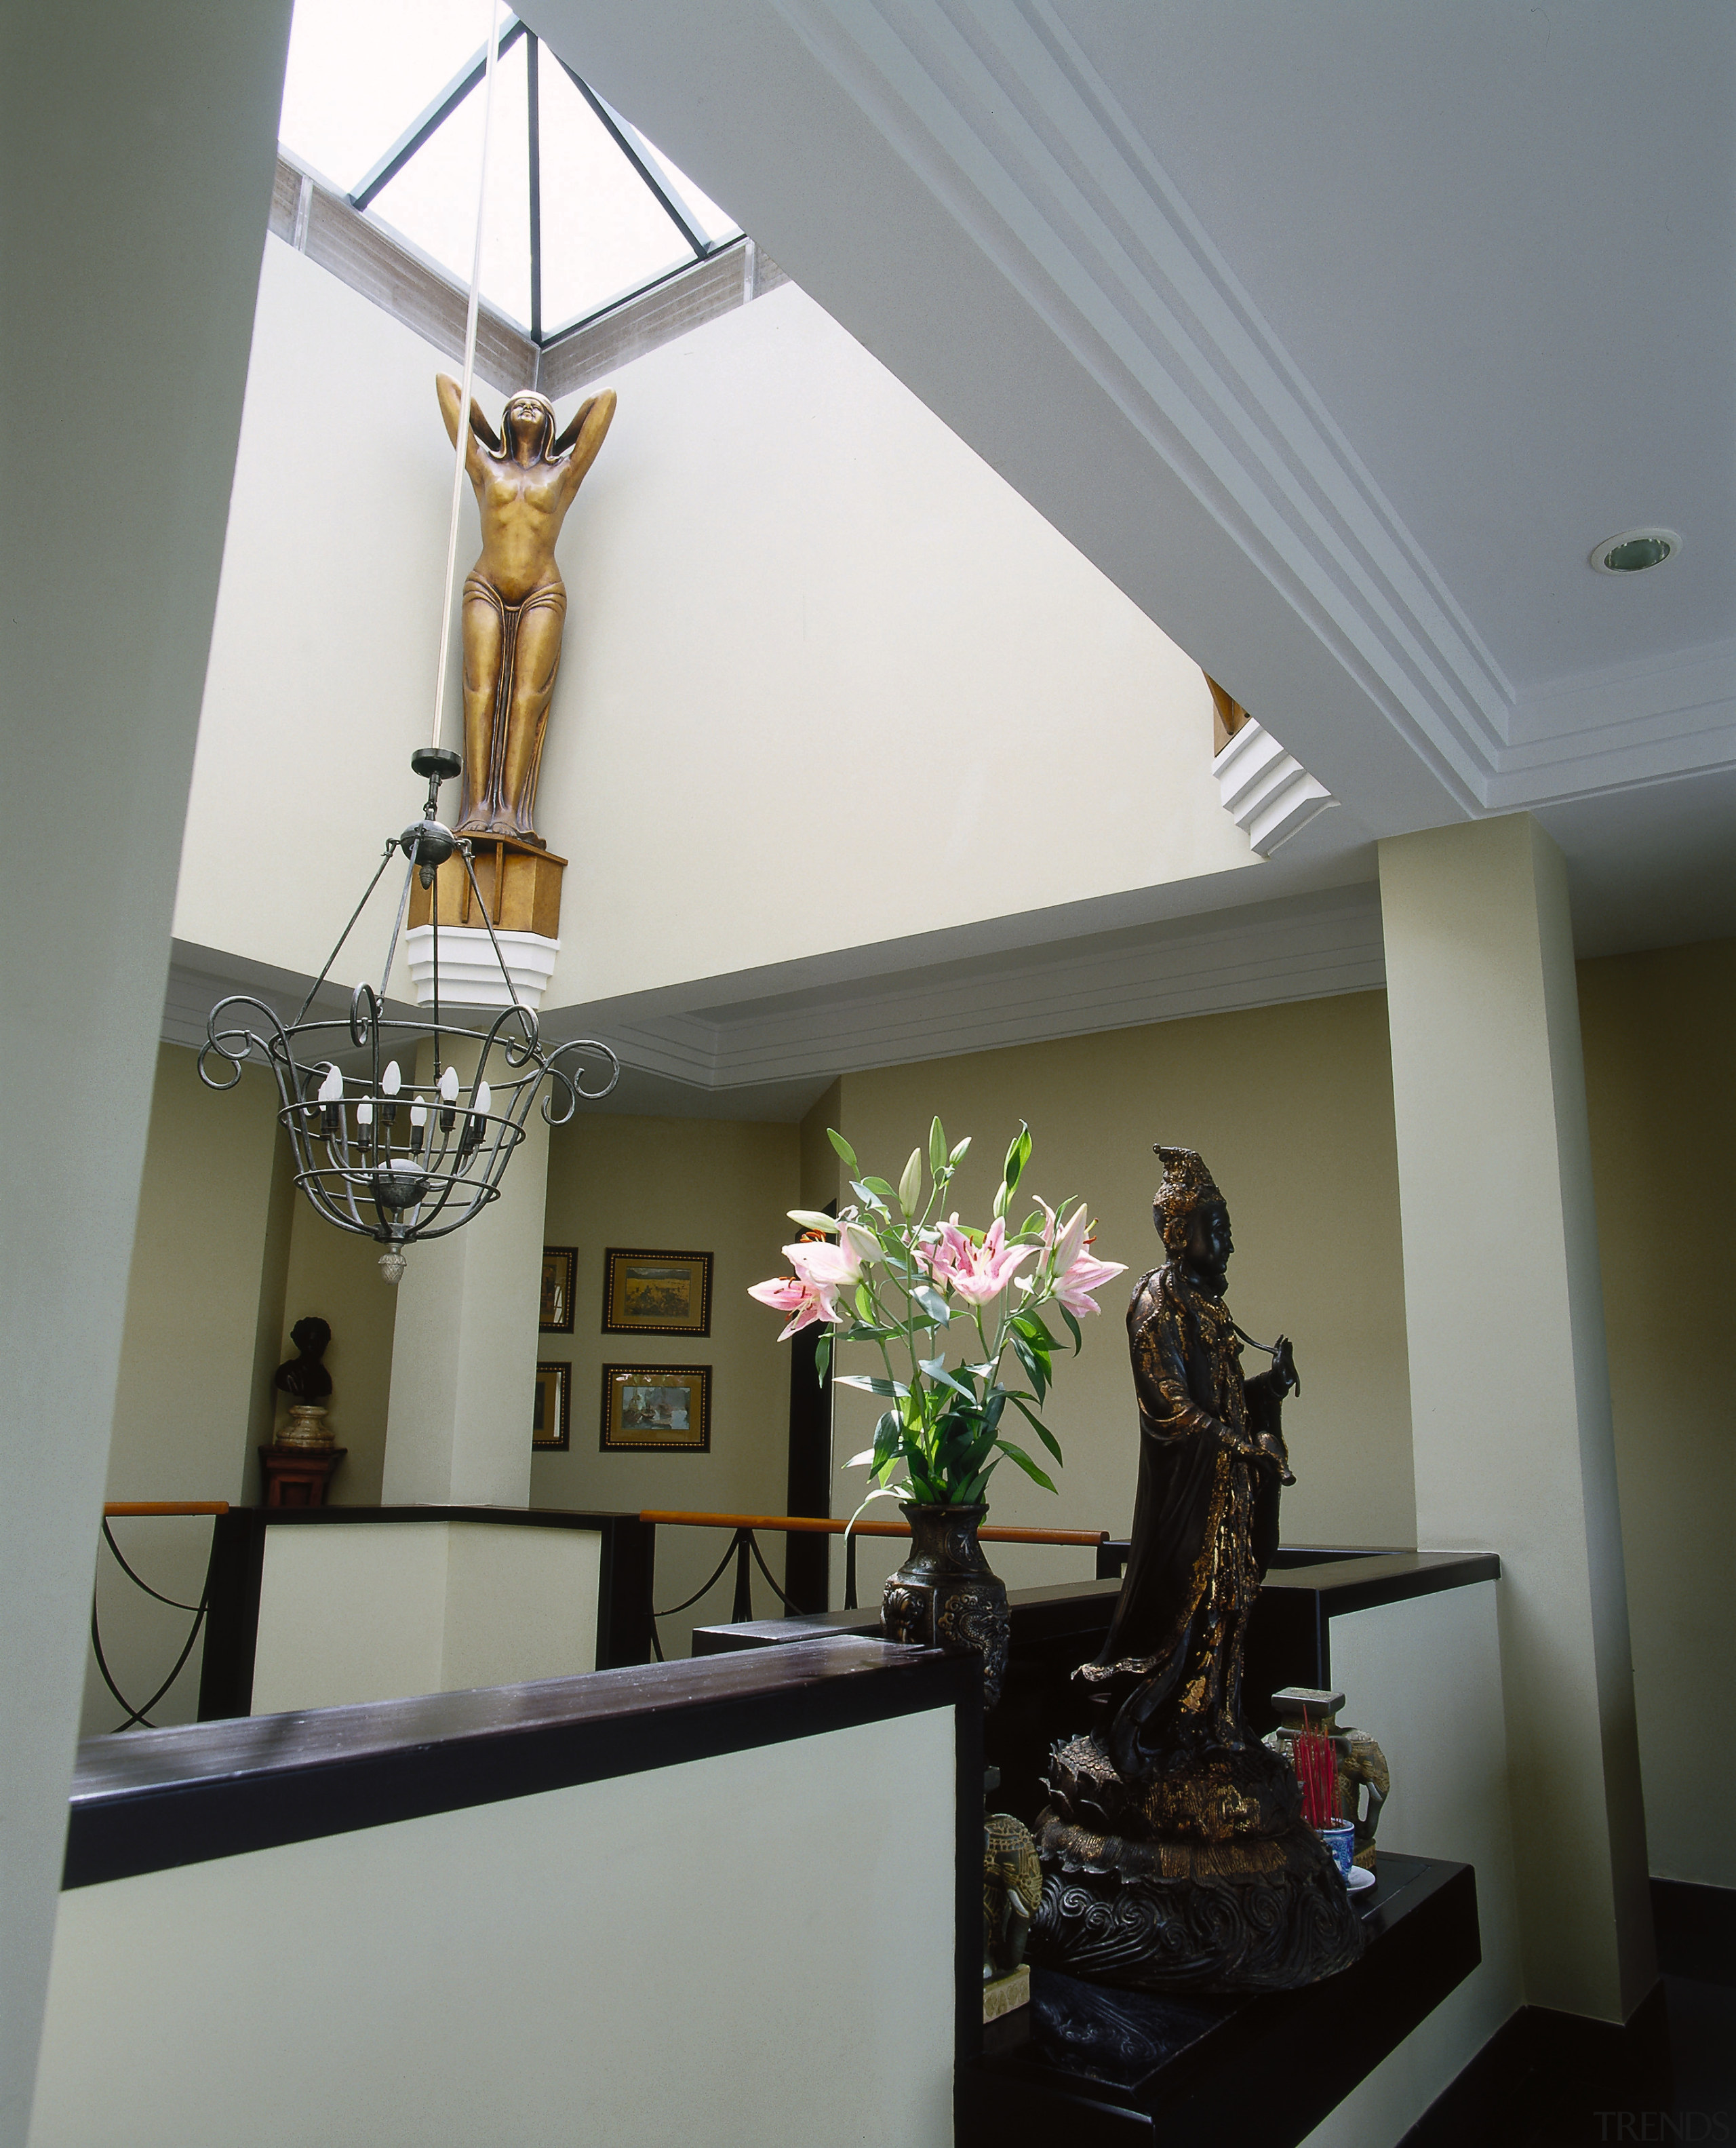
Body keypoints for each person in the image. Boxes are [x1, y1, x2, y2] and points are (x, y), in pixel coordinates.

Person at [1078, 1146, 1298, 1782]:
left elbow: (1223, 1399)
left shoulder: (1210, 1303)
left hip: (1226, 1493)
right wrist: (1243, 1444)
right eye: (1217, 1228)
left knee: (1230, 1604)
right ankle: (1170, 1727)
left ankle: (1217, 1722)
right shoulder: (1157, 1300)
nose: (1228, 1243)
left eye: (1228, 1228)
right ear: (1180, 1231)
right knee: (1192, 1607)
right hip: (1188, 1502)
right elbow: (1170, 1404)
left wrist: (1267, 1389)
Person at [434, 377, 617, 844]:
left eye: (539, 406)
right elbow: (447, 389)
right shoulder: (483, 467)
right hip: (487, 585)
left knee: (526, 698)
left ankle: (512, 813)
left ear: (552, 424)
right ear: (506, 420)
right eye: (519, 405)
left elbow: (605, 401)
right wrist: (490, 437)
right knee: (479, 691)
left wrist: (564, 436)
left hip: (542, 589)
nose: (529, 409)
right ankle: (476, 809)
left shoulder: (563, 474)